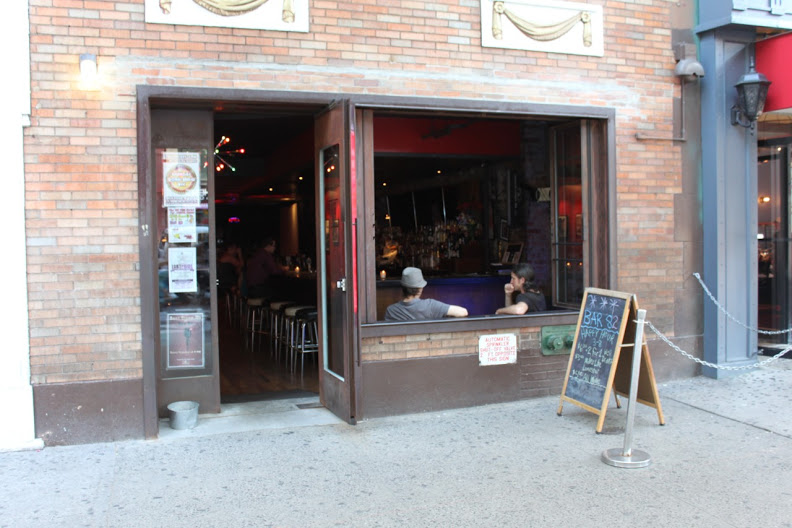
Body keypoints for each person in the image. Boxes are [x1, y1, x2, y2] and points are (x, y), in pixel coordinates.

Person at [384, 267, 468, 321]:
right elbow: (463, 312)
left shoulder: (391, 311)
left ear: (403, 288)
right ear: (420, 289)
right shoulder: (430, 305)